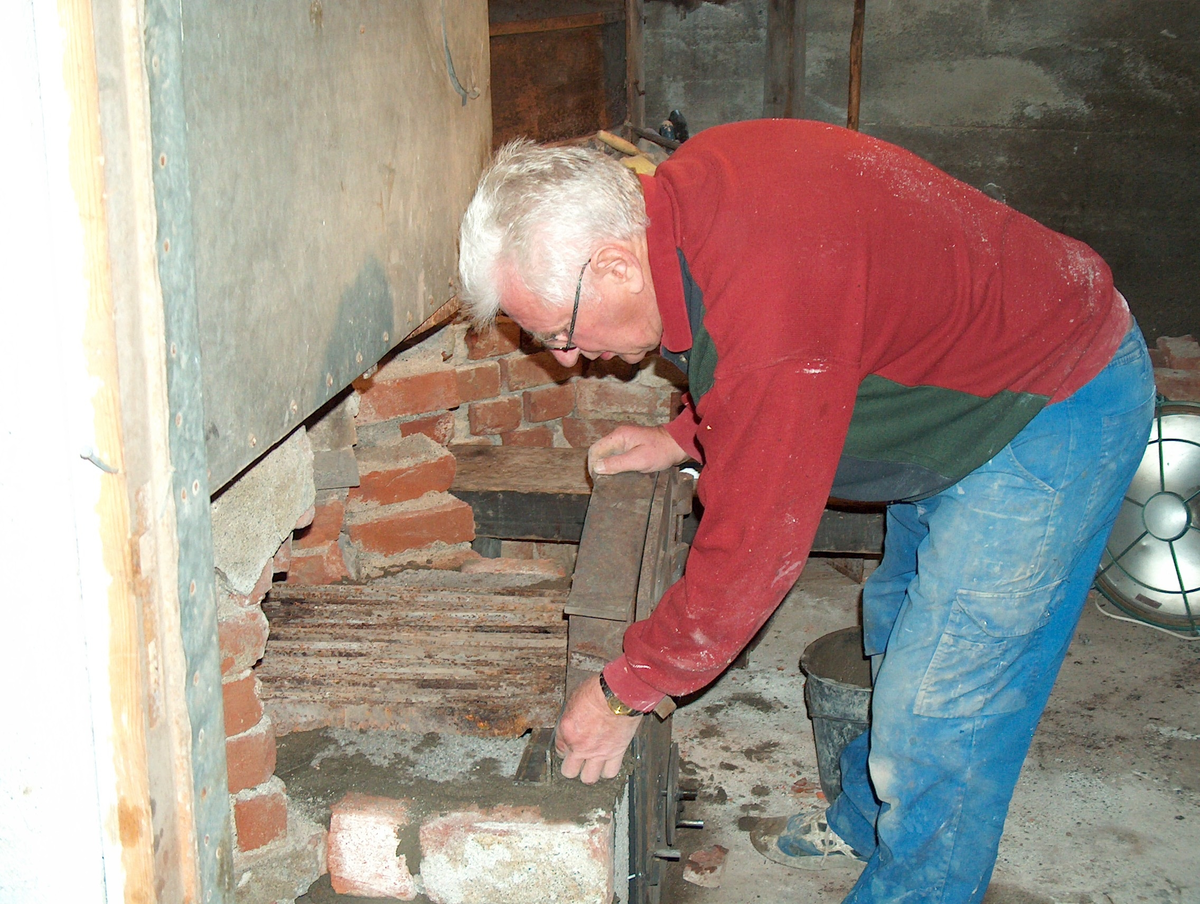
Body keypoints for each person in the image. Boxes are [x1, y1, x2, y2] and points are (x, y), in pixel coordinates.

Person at [456, 120, 1155, 903]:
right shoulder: (685, 203)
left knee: (942, 714)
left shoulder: (763, 292)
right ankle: (870, 819)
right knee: (894, 623)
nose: (564, 357)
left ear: (614, 262)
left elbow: (755, 549)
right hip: (959, 388)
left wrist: (628, 686)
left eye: (559, 330)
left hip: (1052, 399)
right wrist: (685, 437)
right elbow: (788, 356)